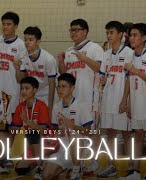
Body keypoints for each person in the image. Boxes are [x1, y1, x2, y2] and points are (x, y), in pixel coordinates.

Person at [57, 19, 103, 174]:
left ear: (85, 31)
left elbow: (100, 68)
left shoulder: (94, 48)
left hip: (89, 98)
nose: (73, 33)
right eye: (71, 30)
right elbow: (65, 75)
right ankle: (80, 162)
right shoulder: (69, 50)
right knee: (76, 131)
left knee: (91, 131)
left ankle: (95, 161)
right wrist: (60, 61)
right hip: (74, 100)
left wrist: (85, 59)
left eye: (77, 29)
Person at [97, 21, 134, 178]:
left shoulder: (129, 53)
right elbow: (103, 75)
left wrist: (125, 100)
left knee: (126, 133)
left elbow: (129, 79)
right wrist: (103, 80)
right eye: (107, 33)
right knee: (110, 132)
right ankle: (112, 164)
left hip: (121, 99)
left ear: (121, 34)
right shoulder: (105, 55)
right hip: (108, 98)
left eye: (111, 32)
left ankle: (132, 165)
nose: (109, 36)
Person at [123, 23, 146, 180]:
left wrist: (135, 70)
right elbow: (129, 81)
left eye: (135, 35)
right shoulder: (130, 55)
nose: (132, 38)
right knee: (137, 136)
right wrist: (127, 101)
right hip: (136, 103)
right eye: (130, 35)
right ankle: (135, 172)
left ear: (144, 38)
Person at [41, 73, 93, 180]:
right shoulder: (56, 107)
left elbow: (88, 133)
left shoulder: (81, 105)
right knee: (46, 176)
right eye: (58, 86)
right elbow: (56, 130)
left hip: (81, 148)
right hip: (63, 149)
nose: (60, 89)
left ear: (72, 88)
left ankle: (77, 170)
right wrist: (55, 134)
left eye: (64, 86)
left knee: (74, 136)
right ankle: (67, 167)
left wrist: (72, 126)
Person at [10, 76, 51, 179]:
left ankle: (39, 166)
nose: (23, 91)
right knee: (20, 168)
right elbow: (15, 128)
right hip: (32, 143)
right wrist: (10, 126)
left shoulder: (41, 106)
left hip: (48, 142)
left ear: (35, 90)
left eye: (27, 88)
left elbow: (42, 130)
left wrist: (27, 121)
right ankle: (41, 163)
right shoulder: (20, 107)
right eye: (22, 88)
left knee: (33, 133)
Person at [14, 26, 57, 113]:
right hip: (32, 95)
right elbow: (20, 81)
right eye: (25, 39)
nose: (27, 42)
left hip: (47, 94)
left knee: (45, 124)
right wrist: (17, 69)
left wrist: (50, 107)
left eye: (30, 40)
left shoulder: (49, 59)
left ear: (38, 42)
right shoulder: (22, 56)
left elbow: (52, 84)